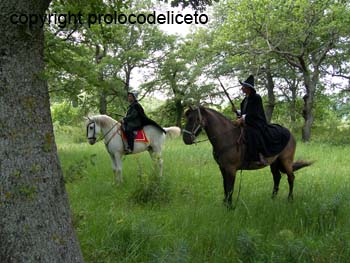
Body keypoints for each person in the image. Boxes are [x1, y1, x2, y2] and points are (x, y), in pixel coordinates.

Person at [235, 75, 290, 166]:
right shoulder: (246, 99)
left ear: (248, 88)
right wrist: (237, 111)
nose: (242, 88)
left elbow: (254, 113)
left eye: (243, 87)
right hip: (248, 122)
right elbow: (246, 112)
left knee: (253, 133)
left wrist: (242, 118)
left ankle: (258, 156)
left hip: (257, 122)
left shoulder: (256, 98)